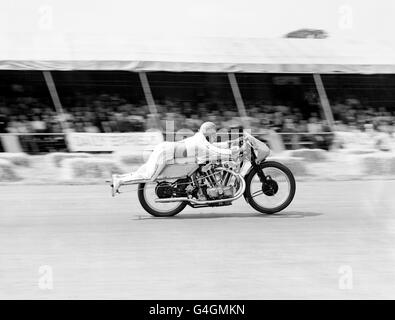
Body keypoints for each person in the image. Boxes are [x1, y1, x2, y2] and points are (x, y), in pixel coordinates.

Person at [111, 122, 245, 196]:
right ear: (208, 133)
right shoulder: (201, 143)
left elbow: (213, 146)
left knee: (145, 171)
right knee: (149, 176)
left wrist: (232, 143)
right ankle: (120, 180)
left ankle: (120, 177)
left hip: (165, 150)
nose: (215, 136)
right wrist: (233, 152)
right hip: (164, 153)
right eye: (214, 134)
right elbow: (214, 150)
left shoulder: (200, 138)